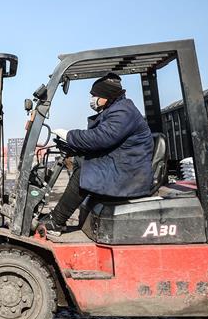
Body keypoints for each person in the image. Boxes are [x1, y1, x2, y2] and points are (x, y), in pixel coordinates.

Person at [39, 72, 154, 233]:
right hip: (125, 165)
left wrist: (69, 135)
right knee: (80, 160)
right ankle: (57, 217)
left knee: (86, 172)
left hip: (130, 172)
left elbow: (101, 138)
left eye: (94, 95)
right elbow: (101, 140)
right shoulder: (117, 109)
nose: (92, 99)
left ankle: (57, 220)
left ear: (106, 95)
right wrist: (73, 145)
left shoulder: (123, 112)